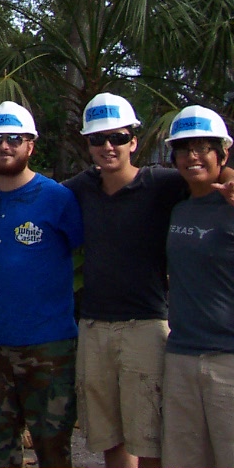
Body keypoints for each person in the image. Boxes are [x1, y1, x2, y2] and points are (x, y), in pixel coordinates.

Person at [63, 93, 187, 468]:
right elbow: (31, 191)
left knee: (149, 434)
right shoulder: (81, 187)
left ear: (133, 140)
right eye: (97, 139)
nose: (107, 146)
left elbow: (209, 173)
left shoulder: (163, 184)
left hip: (145, 326)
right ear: (88, 145)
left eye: (116, 137)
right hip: (95, 325)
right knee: (109, 433)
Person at [0, 101, 83, 468]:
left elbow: (85, 252)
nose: (5, 146)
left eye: (14, 139)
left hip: (49, 347)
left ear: (30, 146)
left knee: (53, 449)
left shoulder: (57, 198)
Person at [161, 105, 234, 468]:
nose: (192, 156)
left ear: (223, 153)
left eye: (203, 147)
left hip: (228, 358)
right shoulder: (178, 207)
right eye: (184, 148)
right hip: (181, 355)